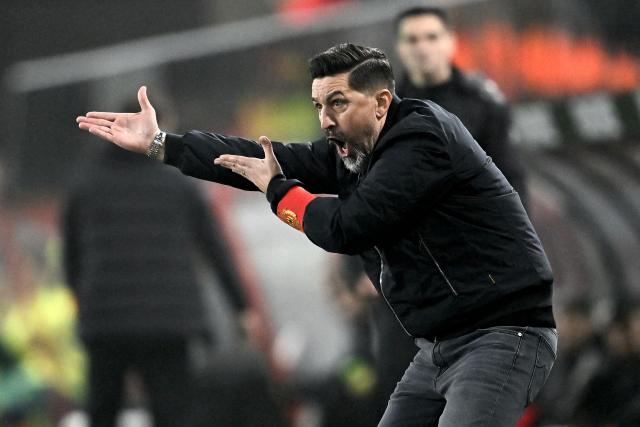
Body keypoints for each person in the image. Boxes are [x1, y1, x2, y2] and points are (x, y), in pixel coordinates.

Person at [76, 43, 557, 426]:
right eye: (319, 105)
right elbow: (256, 158)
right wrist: (163, 145)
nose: (325, 118)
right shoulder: (352, 151)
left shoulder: (421, 139)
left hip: (501, 335)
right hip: (438, 347)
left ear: (382, 102)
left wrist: (279, 192)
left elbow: (345, 227)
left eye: (338, 103)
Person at [62, 112, 252, 426]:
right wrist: (241, 307)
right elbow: (215, 249)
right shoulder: (178, 184)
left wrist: (84, 304)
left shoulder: (84, 185)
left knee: (103, 410)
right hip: (168, 322)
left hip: (106, 323)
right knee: (173, 413)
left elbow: (71, 257)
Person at [395, 6, 526, 202]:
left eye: (432, 37)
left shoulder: (483, 99)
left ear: (450, 41)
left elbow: (509, 173)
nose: (422, 48)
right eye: (412, 40)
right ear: (399, 47)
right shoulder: (387, 107)